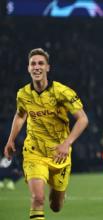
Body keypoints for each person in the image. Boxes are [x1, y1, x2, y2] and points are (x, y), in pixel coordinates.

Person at [3, 48, 89, 219]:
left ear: (48, 67)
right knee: (38, 198)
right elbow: (20, 116)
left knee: (55, 206)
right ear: (28, 68)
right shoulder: (23, 94)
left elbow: (83, 119)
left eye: (40, 63)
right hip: (34, 152)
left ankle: (60, 195)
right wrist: (10, 140)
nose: (37, 67)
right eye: (33, 64)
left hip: (60, 154)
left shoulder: (62, 92)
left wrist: (67, 143)